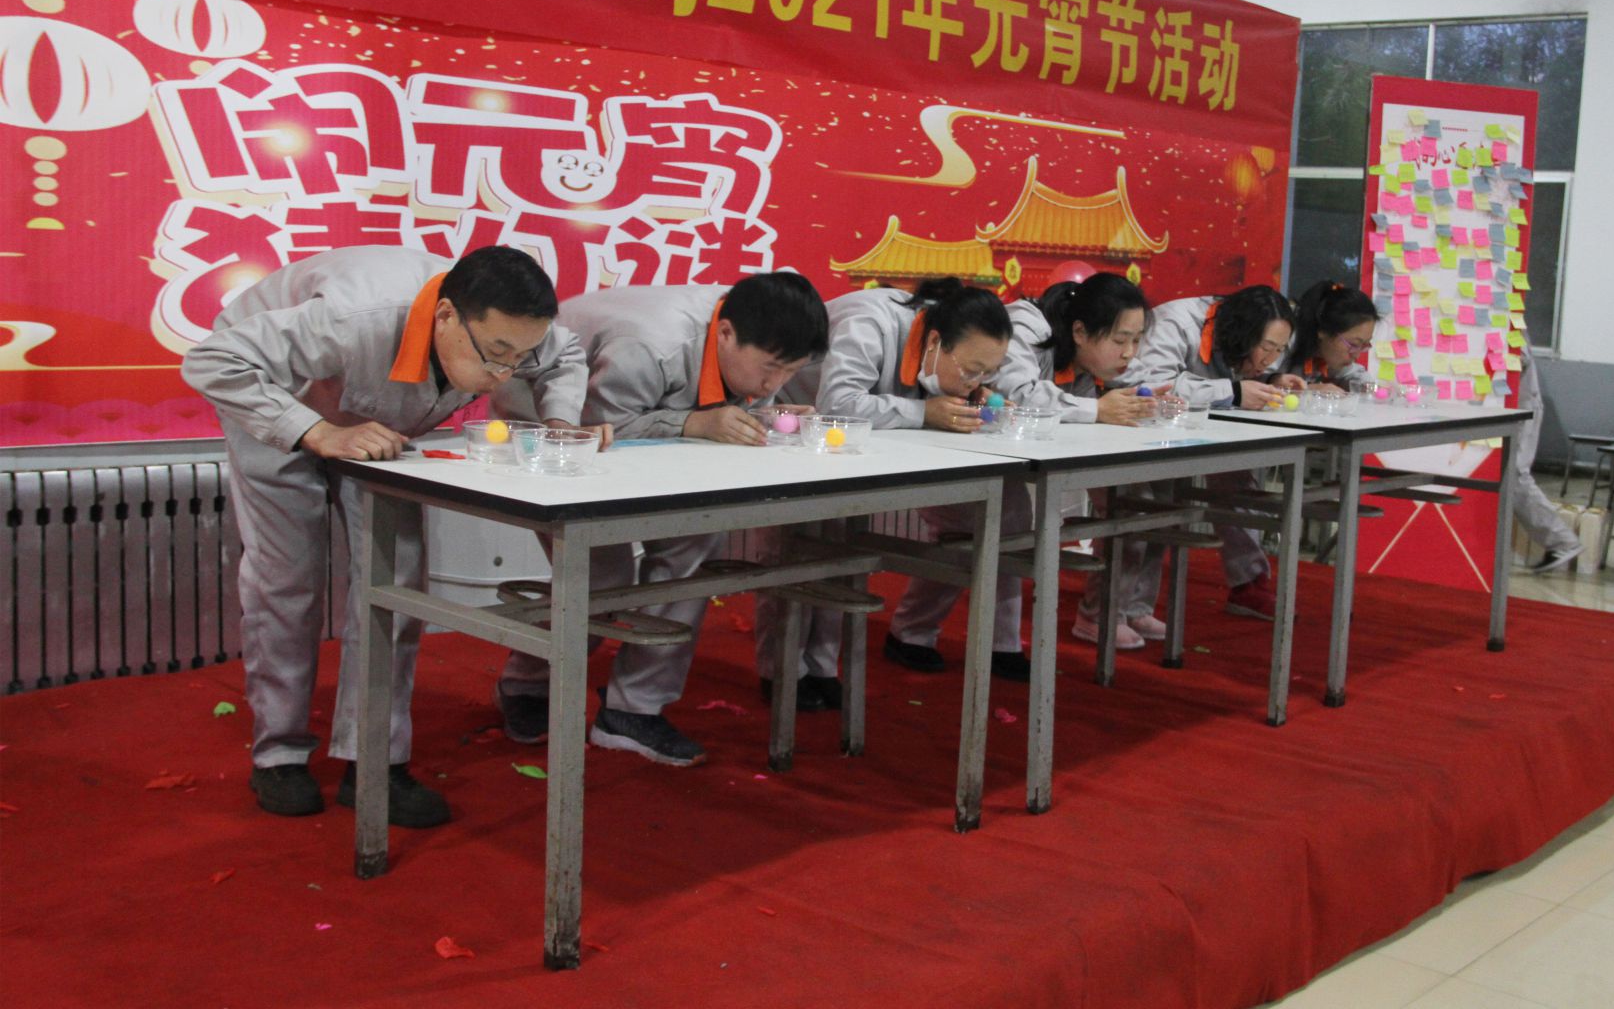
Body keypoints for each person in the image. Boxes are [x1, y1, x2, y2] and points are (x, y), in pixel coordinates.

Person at [182, 245, 588, 824]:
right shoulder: (354, 318)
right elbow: (213, 359)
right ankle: (279, 755)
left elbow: (565, 356)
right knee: (287, 579)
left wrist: (559, 423)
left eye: (519, 358)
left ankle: (375, 760)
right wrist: (316, 431)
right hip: (276, 393)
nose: (504, 373)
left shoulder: (516, 331)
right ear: (445, 316)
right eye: (496, 355)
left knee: (396, 583)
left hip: (377, 417)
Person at [491, 272, 830, 766]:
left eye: (789, 372)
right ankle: (527, 683)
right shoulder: (651, 345)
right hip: (550, 421)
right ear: (727, 333)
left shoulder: (746, 333)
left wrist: (765, 414)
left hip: (643, 428)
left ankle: (634, 708)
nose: (772, 385)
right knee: (601, 575)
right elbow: (596, 428)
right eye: (771, 369)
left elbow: (723, 401)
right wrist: (692, 421)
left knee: (696, 539)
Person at [797, 277, 1033, 683]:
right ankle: (790, 674)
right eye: (972, 370)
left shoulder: (942, 345)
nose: (976, 381)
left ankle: (824, 670)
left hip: (862, 442)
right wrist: (924, 412)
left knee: (997, 512)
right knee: (812, 549)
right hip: (802, 436)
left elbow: (920, 388)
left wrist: (974, 395)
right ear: (936, 341)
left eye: (988, 373)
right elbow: (837, 403)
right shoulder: (870, 321)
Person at [992, 273, 1161, 650]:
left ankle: (1105, 613)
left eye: (1136, 340)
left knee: (1135, 503)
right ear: (1080, 331)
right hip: (982, 452)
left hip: (1044, 449)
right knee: (1005, 526)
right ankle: (926, 637)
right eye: (1120, 340)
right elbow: (1018, 396)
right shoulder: (1026, 326)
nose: (1129, 353)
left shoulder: (1093, 356)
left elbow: (1142, 379)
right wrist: (1097, 409)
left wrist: (1150, 399)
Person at [1127, 285, 1297, 620]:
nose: (1271, 358)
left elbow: (1238, 378)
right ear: (1242, 333)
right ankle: (1118, 610)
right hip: (1145, 430)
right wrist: (1233, 391)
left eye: (1280, 350)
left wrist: (1273, 380)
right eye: (1267, 348)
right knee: (1150, 505)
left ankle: (1249, 582)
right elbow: (1154, 385)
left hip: (1204, 427)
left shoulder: (1240, 337)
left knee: (1236, 478)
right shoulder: (1176, 322)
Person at [1514, 333, 1584, 573]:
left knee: (1515, 476)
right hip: (1506, 407)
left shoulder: (1507, 318)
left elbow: (1519, 358)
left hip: (1522, 409)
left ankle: (1562, 541)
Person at [1274, 280, 1377, 393]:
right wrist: (1306, 390)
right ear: (1323, 330)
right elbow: (1262, 381)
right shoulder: (1285, 337)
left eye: (1364, 345)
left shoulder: (1327, 352)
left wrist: (1369, 388)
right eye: (1354, 344)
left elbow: (1354, 374)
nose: (1356, 355)